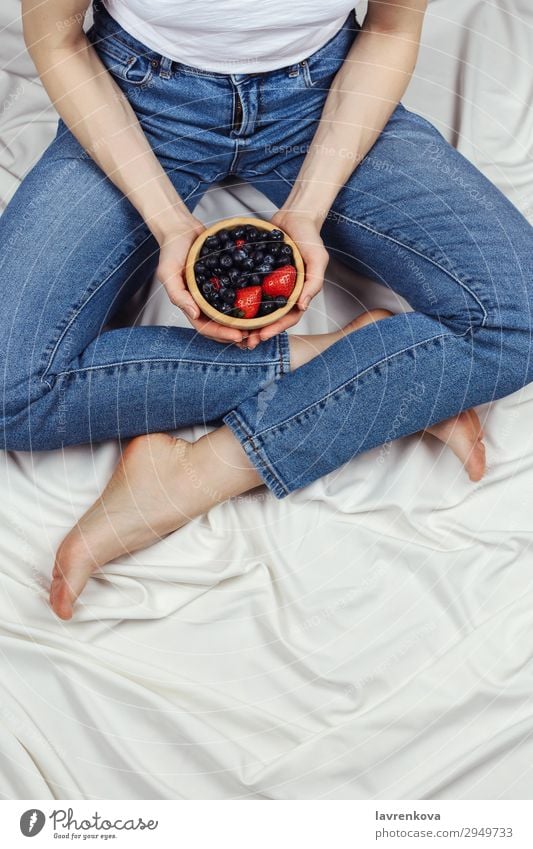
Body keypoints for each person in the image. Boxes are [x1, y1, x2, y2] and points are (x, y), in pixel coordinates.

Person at [2, 0, 531, 620]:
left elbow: (390, 28)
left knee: (518, 316)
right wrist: (171, 223)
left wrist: (307, 208)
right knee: (10, 387)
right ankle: (355, 352)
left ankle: (195, 474)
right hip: (137, 100)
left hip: (322, 96)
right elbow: (57, 38)